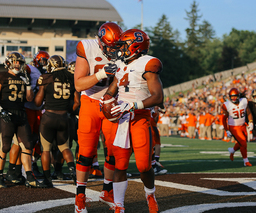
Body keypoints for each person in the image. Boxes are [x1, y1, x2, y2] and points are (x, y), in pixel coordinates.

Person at [105, 28, 163, 213]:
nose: (120, 49)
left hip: (140, 117)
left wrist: (132, 106)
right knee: (120, 164)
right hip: (121, 119)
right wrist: (105, 99)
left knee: (144, 165)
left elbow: (158, 97)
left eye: (123, 45)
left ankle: (150, 194)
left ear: (135, 46)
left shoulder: (149, 63)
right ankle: (119, 205)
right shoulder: (121, 65)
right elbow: (113, 88)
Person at [73, 22, 123, 212]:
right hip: (90, 102)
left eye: (116, 46)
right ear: (100, 41)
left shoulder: (123, 48)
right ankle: (80, 197)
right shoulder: (86, 47)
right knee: (86, 152)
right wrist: (101, 73)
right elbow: (78, 84)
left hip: (112, 103)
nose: (113, 50)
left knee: (113, 151)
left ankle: (107, 191)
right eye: (110, 46)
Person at [0, 52, 45, 188]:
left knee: (27, 145)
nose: (17, 64)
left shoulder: (23, 77)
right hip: (7, 113)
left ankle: (29, 176)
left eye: (19, 62)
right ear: (8, 62)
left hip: (21, 114)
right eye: (15, 62)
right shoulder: (1, 75)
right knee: (5, 146)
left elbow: (29, 98)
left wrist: (27, 85)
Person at [34, 55, 79, 187]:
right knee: (65, 147)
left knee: (46, 149)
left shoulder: (46, 78)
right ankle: (74, 173)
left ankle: (47, 179)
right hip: (64, 117)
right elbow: (77, 102)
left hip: (49, 117)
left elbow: (37, 102)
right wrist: (68, 110)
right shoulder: (70, 78)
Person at [222, 88, 254, 167]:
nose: (233, 98)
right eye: (232, 97)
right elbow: (223, 119)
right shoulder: (226, 105)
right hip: (234, 127)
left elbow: (249, 112)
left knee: (241, 143)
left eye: (235, 96)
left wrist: (251, 122)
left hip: (243, 125)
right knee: (243, 142)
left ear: (238, 96)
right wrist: (227, 130)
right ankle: (246, 161)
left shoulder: (244, 101)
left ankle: (232, 150)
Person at [151, 106, 167, 175]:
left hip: (148, 124)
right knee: (154, 144)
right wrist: (157, 111)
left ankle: (154, 163)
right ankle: (154, 163)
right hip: (150, 125)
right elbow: (155, 120)